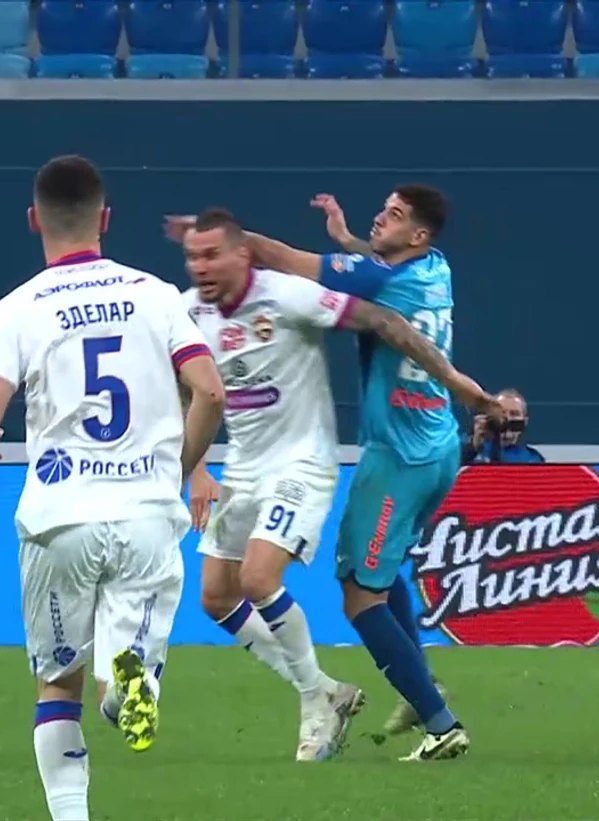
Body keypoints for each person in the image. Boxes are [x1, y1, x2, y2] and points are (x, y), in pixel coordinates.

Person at [166, 185, 498, 761]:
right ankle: (405, 688)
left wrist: (461, 384)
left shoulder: (304, 293)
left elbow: (318, 275)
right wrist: (194, 468)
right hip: (408, 443)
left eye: (394, 215)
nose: (380, 219)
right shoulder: (432, 268)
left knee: (342, 591)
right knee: (220, 596)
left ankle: (429, 719)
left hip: (373, 455)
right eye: (193, 257)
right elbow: (186, 383)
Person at [0, 155, 225, 821]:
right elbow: (210, 391)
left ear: (34, 220)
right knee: (129, 668)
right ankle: (127, 687)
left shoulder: (15, 309)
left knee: (57, 687)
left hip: (61, 518)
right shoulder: (158, 295)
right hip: (146, 515)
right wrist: (176, 469)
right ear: (105, 218)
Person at [462, 389, 546, 465]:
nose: (507, 418)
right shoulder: (465, 446)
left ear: (525, 421)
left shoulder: (532, 458)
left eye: (514, 414)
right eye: (501, 413)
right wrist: (473, 446)